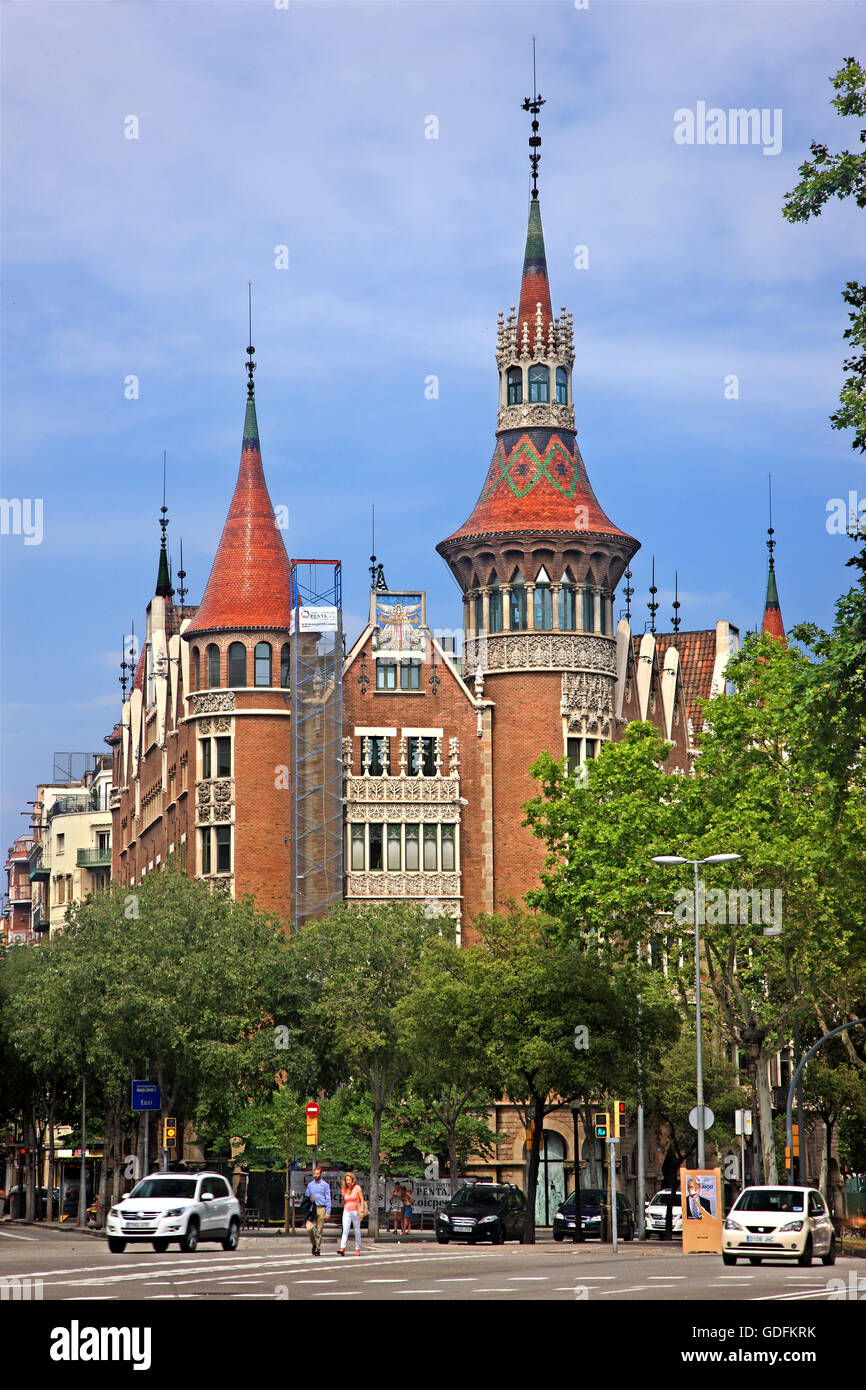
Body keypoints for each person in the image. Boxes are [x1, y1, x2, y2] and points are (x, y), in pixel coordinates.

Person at [303, 1167, 331, 1255]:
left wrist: (328, 1211)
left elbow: (328, 1198)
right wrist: (309, 1199)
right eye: (315, 1173)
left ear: (321, 1174)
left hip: (321, 1208)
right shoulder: (310, 1185)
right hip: (312, 1208)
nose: (316, 1175)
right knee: (309, 1228)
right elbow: (306, 1196)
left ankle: (317, 1249)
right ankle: (314, 1244)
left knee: (319, 1230)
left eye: (318, 1173)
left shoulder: (325, 1185)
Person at [338, 1172, 365, 1255]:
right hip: (347, 1211)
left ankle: (357, 1249)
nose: (348, 1181)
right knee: (345, 1230)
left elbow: (362, 1200)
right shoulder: (344, 1189)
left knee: (357, 1230)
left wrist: (362, 1211)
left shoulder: (357, 1188)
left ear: (353, 1180)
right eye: (347, 1180)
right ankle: (342, 1248)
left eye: (349, 1180)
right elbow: (345, 1201)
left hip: (355, 1211)